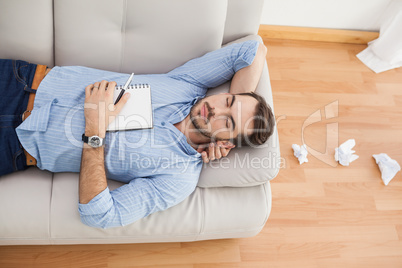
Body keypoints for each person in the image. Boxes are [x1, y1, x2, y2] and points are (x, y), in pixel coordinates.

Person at [0, 40, 275, 228]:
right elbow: (253, 49)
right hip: (21, 81)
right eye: (227, 102)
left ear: (226, 142)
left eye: (227, 123)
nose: (215, 111)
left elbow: (101, 215)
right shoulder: (189, 85)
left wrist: (95, 130)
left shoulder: (178, 178)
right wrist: (239, 101)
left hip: (14, 144)